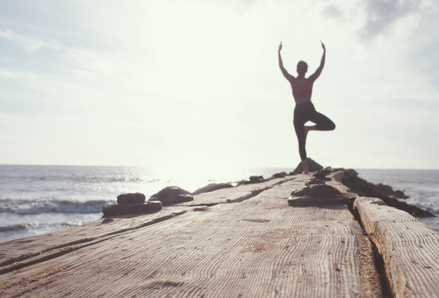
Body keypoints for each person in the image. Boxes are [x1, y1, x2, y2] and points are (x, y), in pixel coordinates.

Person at [278, 41, 335, 174]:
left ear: (297, 70)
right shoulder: (310, 80)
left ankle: (306, 170)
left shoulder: (293, 80)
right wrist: (324, 52)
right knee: (331, 125)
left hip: (298, 111)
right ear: (306, 70)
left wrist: (279, 53)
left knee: (301, 142)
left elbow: (282, 68)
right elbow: (321, 67)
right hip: (309, 109)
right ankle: (309, 128)